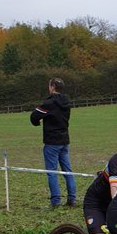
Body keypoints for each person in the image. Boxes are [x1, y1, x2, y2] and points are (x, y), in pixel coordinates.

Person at [30, 77, 75, 208]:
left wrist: (37, 122)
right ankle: (72, 198)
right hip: (64, 140)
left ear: (53, 87)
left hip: (52, 142)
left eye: (49, 86)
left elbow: (34, 116)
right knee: (68, 171)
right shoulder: (66, 101)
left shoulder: (48, 103)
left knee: (52, 172)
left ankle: (55, 201)